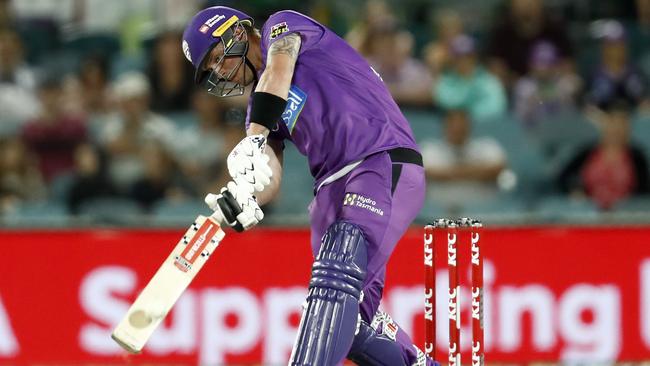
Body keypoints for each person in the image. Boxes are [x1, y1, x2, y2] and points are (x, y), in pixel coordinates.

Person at [182, 6, 434, 366]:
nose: (219, 71)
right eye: (211, 70)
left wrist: (254, 137)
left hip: (378, 158)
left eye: (217, 59)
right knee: (345, 322)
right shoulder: (258, 109)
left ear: (237, 32)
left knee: (336, 282)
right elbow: (270, 172)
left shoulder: (282, 26)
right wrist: (246, 194)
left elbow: (280, 66)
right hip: (330, 191)